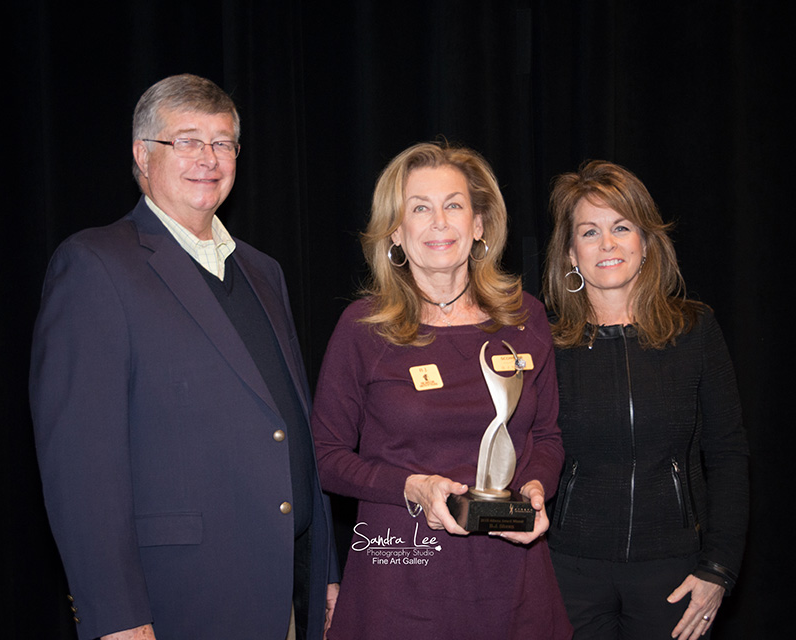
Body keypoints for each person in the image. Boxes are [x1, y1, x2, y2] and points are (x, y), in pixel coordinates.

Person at [29, 74, 338, 640]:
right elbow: (80, 467)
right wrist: (117, 617)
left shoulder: (263, 271)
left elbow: (292, 429)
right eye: (187, 141)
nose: (208, 158)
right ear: (142, 155)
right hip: (178, 601)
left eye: (222, 143)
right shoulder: (96, 264)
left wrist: (326, 570)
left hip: (285, 594)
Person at [310, 142, 573, 639]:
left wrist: (537, 489)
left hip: (512, 579)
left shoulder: (526, 318)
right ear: (396, 231)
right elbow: (326, 456)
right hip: (401, 574)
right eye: (419, 208)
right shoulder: (364, 328)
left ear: (479, 225)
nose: (439, 223)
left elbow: (547, 437)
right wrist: (412, 487)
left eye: (453, 205)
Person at [542, 160, 749, 640]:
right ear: (571, 254)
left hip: (674, 574)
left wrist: (719, 568)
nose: (607, 244)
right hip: (568, 571)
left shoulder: (695, 330)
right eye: (589, 232)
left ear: (646, 242)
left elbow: (728, 454)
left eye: (621, 227)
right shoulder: (545, 341)